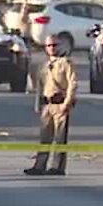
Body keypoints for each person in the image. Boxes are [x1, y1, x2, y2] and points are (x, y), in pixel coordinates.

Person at [24, 35, 76, 176]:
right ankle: (39, 165)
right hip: (47, 105)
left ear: (60, 46)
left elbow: (72, 84)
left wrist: (67, 102)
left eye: (55, 45)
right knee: (44, 137)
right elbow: (40, 87)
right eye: (49, 45)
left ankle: (57, 167)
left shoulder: (66, 63)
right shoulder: (44, 65)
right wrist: (38, 105)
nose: (52, 48)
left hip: (60, 104)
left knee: (59, 137)